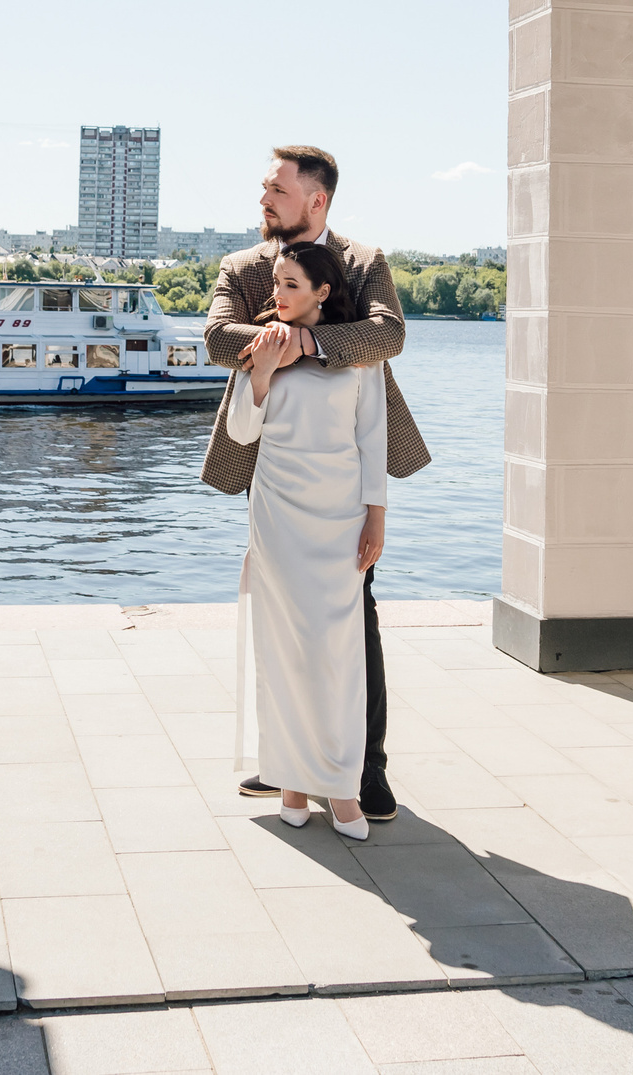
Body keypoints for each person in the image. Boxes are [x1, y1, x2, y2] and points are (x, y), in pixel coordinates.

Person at [204, 145, 430, 823]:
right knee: (279, 615)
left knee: (353, 617)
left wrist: (309, 343)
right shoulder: (244, 266)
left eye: (276, 189)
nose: (264, 198)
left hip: (343, 474)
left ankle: (366, 767)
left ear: (316, 199)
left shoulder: (362, 261)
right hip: (271, 467)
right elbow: (218, 338)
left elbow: (387, 335)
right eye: (265, 188)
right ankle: (288, 763)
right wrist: (273, 341)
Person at [221, 242, 385, 837]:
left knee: (336, 653)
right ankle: (290, 782)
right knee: (284, 647)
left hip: (341, 516)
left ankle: (342, 788)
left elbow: (372, 440)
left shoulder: (357, 353)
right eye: (276, 283)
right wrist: (261, 374)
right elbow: (241, 433)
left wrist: (376, 517)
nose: (278, 295)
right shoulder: (262, 344)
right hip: (277, 515)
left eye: (291, 284)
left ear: (323, 291)